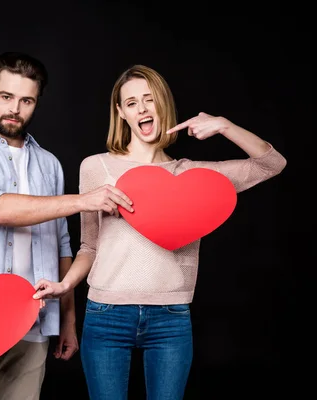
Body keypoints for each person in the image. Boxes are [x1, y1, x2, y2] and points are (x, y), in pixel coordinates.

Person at [33, 64, 287, 400]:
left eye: (149, 100)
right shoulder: (96, 167)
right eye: (132, 102)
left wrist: (224, 126)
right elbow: (89, 247)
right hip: (106, 315)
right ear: (121, 113)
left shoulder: (193, 176)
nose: (142, 108)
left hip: (171, 318)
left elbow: (271, 163)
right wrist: (65, 285)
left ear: (162, 104)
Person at [0, 51, 133, 400]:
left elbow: (60, 247)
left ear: (37, 102)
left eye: (26, 100)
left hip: (31, 320)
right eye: (6, 97)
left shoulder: (49, 165)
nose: (15, 109)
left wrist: (68, 322)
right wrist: (82, 200)